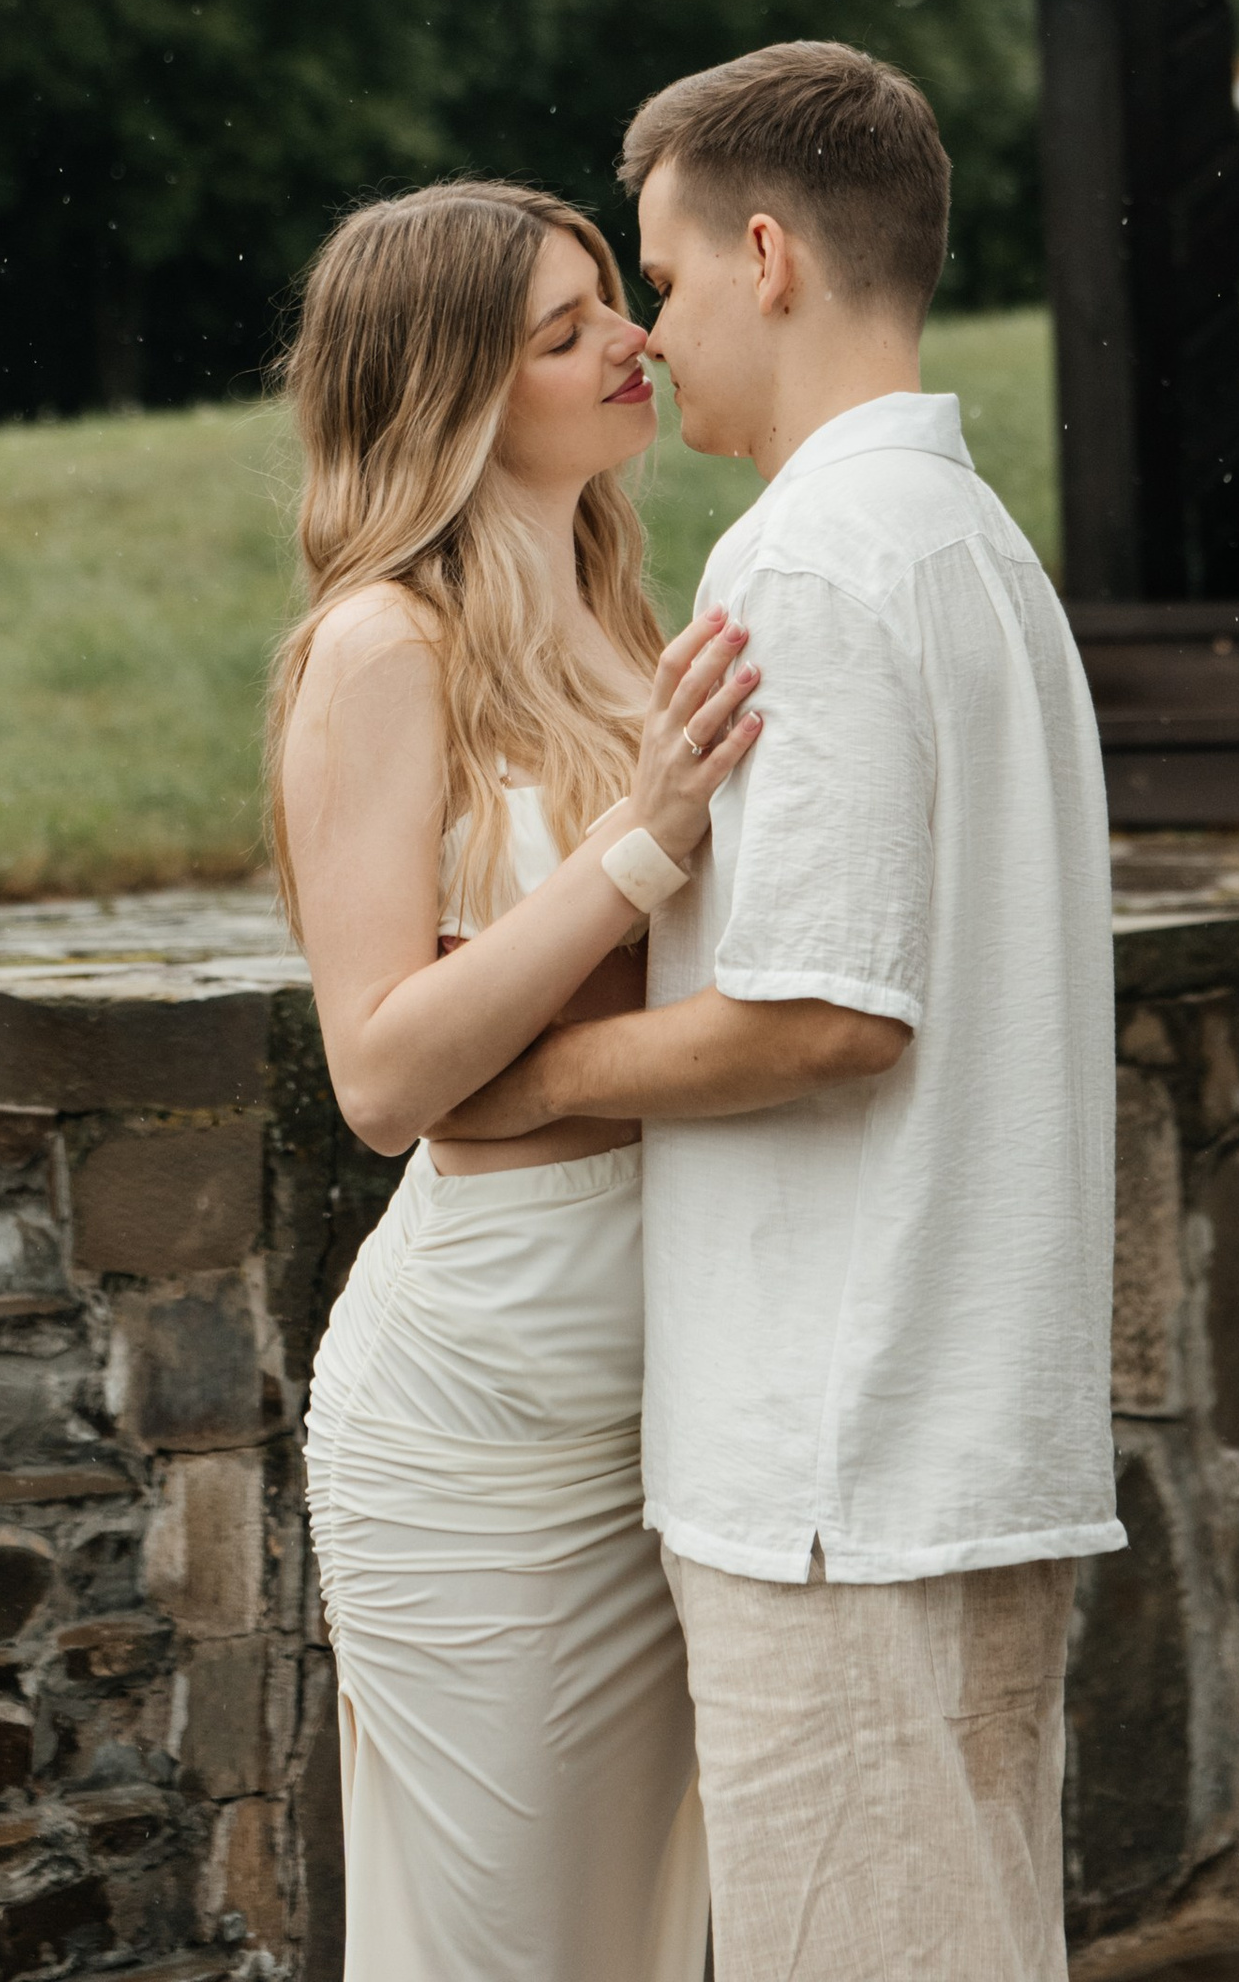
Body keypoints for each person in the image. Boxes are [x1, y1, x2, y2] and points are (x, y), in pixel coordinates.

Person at [434, 44, 1122, 1982]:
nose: (653, 337)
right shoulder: (983, 554)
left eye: (658, 280)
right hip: (956, 1441)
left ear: (765, 256)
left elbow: (827, 1016)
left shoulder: (802, 561)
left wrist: (529, 1071)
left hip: (837, 1464)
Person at [269, 178, 765, 1982]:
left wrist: (537, 1050)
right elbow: (386, 1070)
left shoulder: (638, 628)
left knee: (647, 1951)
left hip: (677, 1392)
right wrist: (636, 854)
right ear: (451, 399)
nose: (631, 342)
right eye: (564, 335)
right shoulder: (381, 646)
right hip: (480, 1429)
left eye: (613, 306)